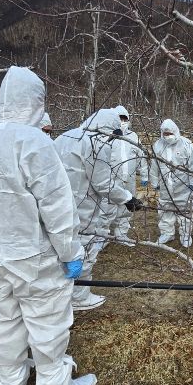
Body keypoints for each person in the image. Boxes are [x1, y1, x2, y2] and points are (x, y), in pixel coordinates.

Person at [0, 66, 96, 385]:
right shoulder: (34, 141)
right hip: (32, 257)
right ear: (36, 101)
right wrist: (71, 253)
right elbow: (57, 206)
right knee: (47, 323)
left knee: (6, 320)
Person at [55, 109, 143, 311]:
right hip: (82, 205)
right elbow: (103, 183)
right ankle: (79, 296)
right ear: (108, 128)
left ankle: (59, 292)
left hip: (56, 205)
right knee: (85, 246)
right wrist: (127, 199)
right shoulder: (96, 141)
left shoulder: (65, 137)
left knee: (60, 248)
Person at [98, 105, 149, 242]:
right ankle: (102, 236)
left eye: (124, 119)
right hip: (111, 180)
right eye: (119, 119)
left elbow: (141, 156)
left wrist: (144, 175)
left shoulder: (133, 136)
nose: (122, 121)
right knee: (107, 207)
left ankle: (121, 235)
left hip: (129, 180)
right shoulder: (107, 136)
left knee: (127, 207)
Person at [150, 119, 193, 247]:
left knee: (185, 211)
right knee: (165, 209)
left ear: (175, 131)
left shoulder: (187, 144)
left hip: (184, 187)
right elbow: (154, 166)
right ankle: (167, 233)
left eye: (170, 133)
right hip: (165, 186)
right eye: (165, 134)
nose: (167, 136)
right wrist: (154, 182)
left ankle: (186, 235)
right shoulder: (158, 145)